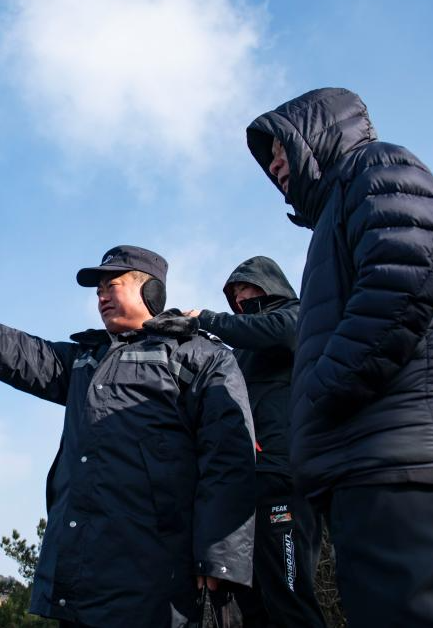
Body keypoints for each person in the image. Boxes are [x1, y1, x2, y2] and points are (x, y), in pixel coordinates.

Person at [245, 88, 433, 627]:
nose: (273, 166)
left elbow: (403, 280)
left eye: (279, 149)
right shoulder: (342, 205)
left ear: (314, 135)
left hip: (404, 477)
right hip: (412, 473)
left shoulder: (377, 166)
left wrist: (318, 395)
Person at [0, 245, 256, 628]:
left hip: (159, 577)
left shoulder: (199, 356)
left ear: (150, 291)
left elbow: (229, 457)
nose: (101, 296)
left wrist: (221, 557)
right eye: (97, 290)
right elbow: (20, 352)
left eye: (111, 285)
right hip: (83, 575)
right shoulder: (86, 360)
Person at [189, 256, 325, 627]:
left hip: (285, 476)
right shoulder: (240, 352)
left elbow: (275, 332)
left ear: (268, 284)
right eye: (234, 293)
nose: (240, 298)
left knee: (290, 596)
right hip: (245, 486)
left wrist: (203, 318)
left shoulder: (298, 317)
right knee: (251, 607)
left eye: (245, 287)